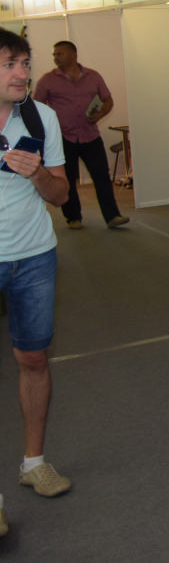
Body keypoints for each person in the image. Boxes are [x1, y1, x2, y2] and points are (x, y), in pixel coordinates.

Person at [0, 29, 75, 537]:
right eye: (10, 64)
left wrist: (36, 174)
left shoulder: (40, 117)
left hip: (33, 256)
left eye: (25, 63)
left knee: (33, 359)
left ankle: (34, 462)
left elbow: (62, 194)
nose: (22, 73)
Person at [32, 40, 128, 230]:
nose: (55, 58)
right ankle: (73, 218)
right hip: (63, 138)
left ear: (73, 55)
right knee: (67, 179)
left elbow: (108, 100)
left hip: (90, 136)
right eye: (54, 54)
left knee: (102, 176)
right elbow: (37, 107)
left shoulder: (94, 76)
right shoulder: (47, 80)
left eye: (59, 54)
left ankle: (112, 216)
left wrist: (100, 114)